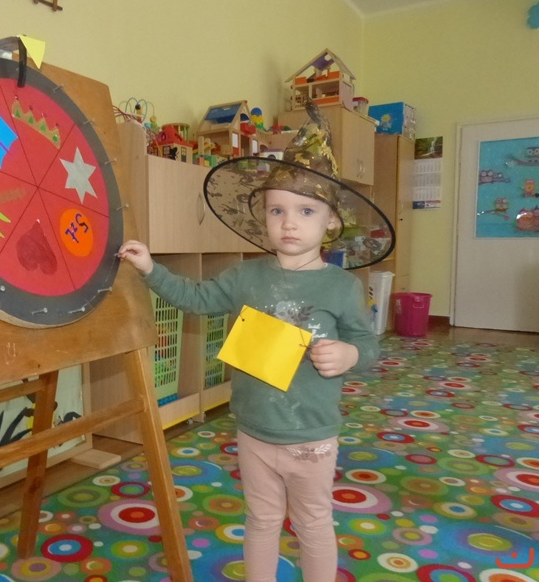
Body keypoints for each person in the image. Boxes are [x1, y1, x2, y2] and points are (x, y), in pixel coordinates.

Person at [118, 104, 393, 582]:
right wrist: (151, 270)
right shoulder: (245, 276)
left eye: (306, 211)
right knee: (262, 519)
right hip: (253, 430)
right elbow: (196, 298)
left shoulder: (341, 286)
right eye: (277, 210)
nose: (289, 223)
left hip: (311, 436)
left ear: (331, 222)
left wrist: (350, 353)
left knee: (312, 522)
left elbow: (366, 346)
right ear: (263, 216)